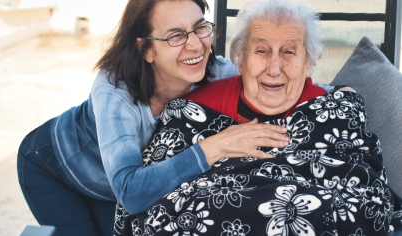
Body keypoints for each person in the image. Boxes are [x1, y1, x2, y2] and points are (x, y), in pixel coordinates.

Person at [113, 0, 402, 235]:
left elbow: (368, 194)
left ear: (309, 62)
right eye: (261, 51)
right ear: (239, 59)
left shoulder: (335, 110)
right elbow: (148, 210)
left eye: (289, 52)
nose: (274, 67)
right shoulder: (190, 111)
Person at [17, 0, 300, 235]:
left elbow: (277, 78)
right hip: (53, 167)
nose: (196, 46)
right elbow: (130, 192)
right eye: (175, 36)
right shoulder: (114, 88)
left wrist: (338, 90)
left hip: (116, 189)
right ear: (146, 49)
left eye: (200, 28)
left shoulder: (216, 73)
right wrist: (216, 147)